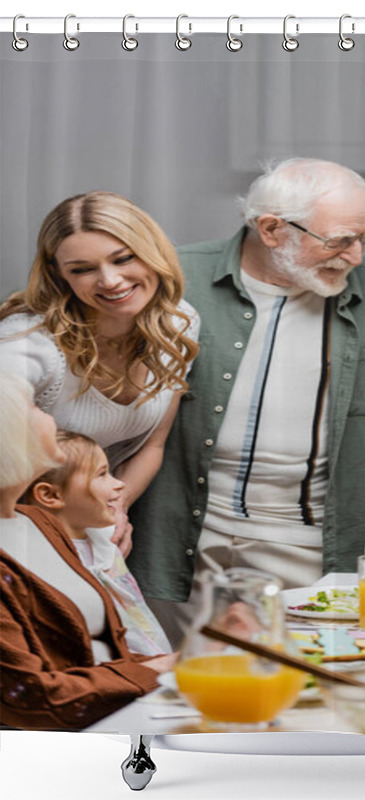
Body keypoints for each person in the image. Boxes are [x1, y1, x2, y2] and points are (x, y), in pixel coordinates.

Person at [127, 157, 365, 641]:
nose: (357, 256)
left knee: (304, 692)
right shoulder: (173, 279)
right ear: (272, 229)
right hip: (180, 538)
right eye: (339, 241)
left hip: (313, 547)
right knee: (183, 693)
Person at [0, 191, 200, 556]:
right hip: (18, 534)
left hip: (87, 528)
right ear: (60, 277)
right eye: (82, 269)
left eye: (122, 259)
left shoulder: (176, 323)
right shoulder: (30, 343)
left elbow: (153, 444)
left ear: (152, 252)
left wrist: (114, 510)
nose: (110, 280)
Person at [0, 372, 176, 731]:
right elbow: (35, 697)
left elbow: (96, 643)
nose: (50, 415)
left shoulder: (37, 523)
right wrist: (154, 670)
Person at [26, 431, 172, 657]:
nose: (120, 485)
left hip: (150, 664)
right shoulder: (39, 561)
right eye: (102, 474)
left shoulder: (104, 541)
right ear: (50, 495)